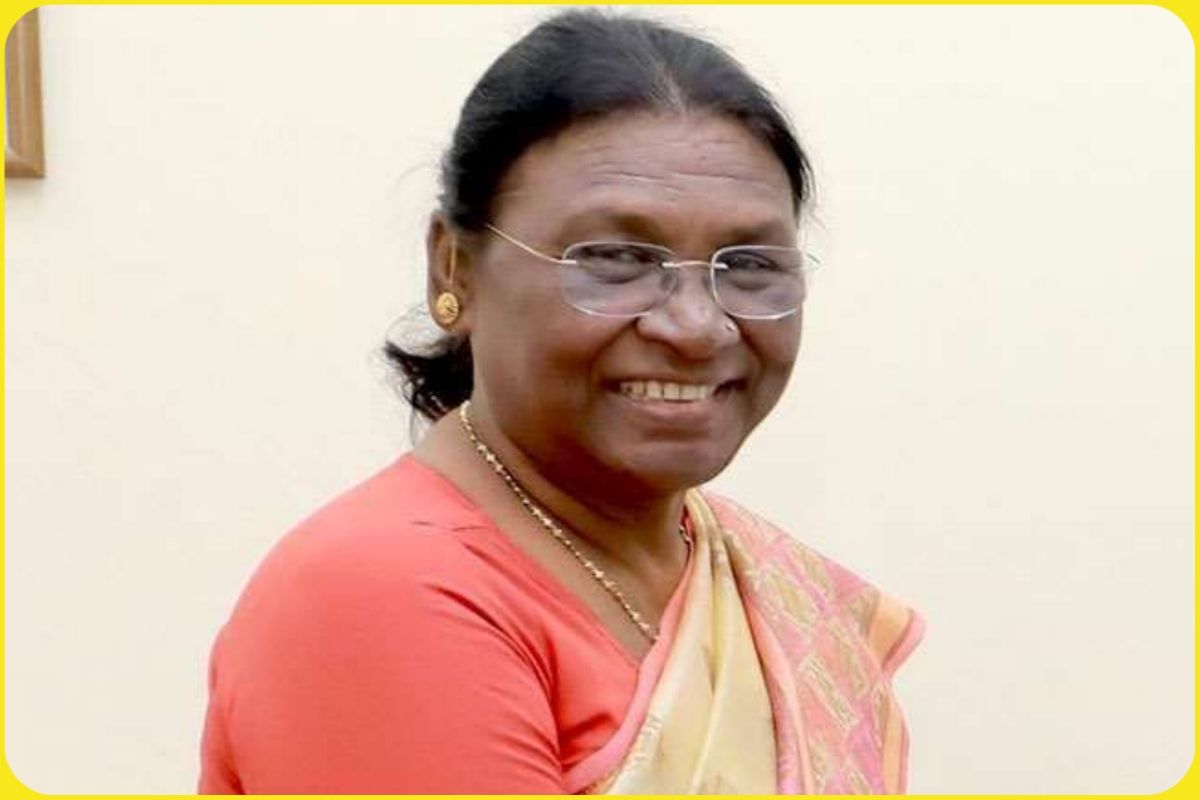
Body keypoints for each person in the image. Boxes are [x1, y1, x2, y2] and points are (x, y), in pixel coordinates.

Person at [199, 10, 922, 795]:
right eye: (616, 258)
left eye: (748, 264)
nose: (696, 326)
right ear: (453, 270)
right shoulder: (382, 593)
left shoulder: (759, 587)